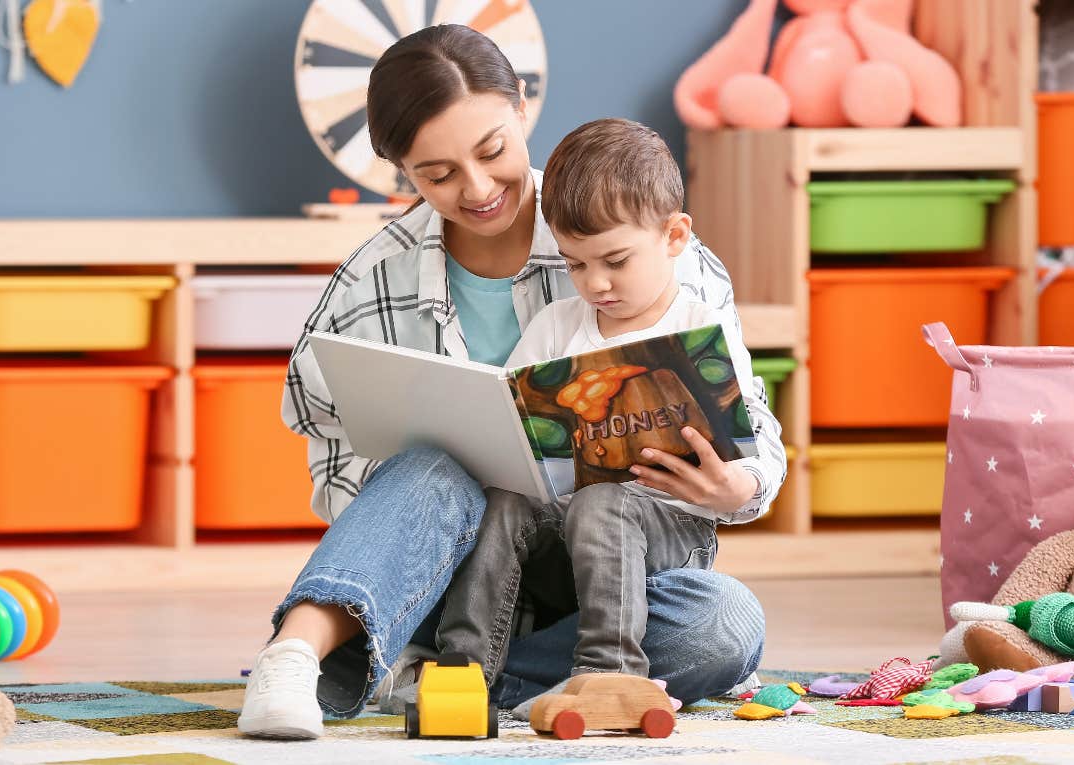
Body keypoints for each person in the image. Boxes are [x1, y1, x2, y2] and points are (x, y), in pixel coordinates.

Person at [237, 24, 772, 741]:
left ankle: (452, 678)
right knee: (433, 466)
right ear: (402, 171)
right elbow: (332, 460)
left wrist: (738, 491)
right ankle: (294, 655)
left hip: (612, 586)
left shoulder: (650, 242)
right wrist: (433, 498)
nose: (479, 188)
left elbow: (751, 430)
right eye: (438, 174)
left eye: (491, 151)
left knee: (723, 622)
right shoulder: (373, 279)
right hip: (447, 571)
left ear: (521, 107)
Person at [413, 118, 785, 716]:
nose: (596, 284)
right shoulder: (555, 328)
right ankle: (463, 679)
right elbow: (509, 436)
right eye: (576, 264)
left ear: (673, 236)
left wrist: (736, 486)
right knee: (507, 502)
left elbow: (759, 445)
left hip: (667, 540)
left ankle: (608, 677)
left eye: (615, 260)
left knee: (707, 610)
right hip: (561, 546)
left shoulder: (699, 327)